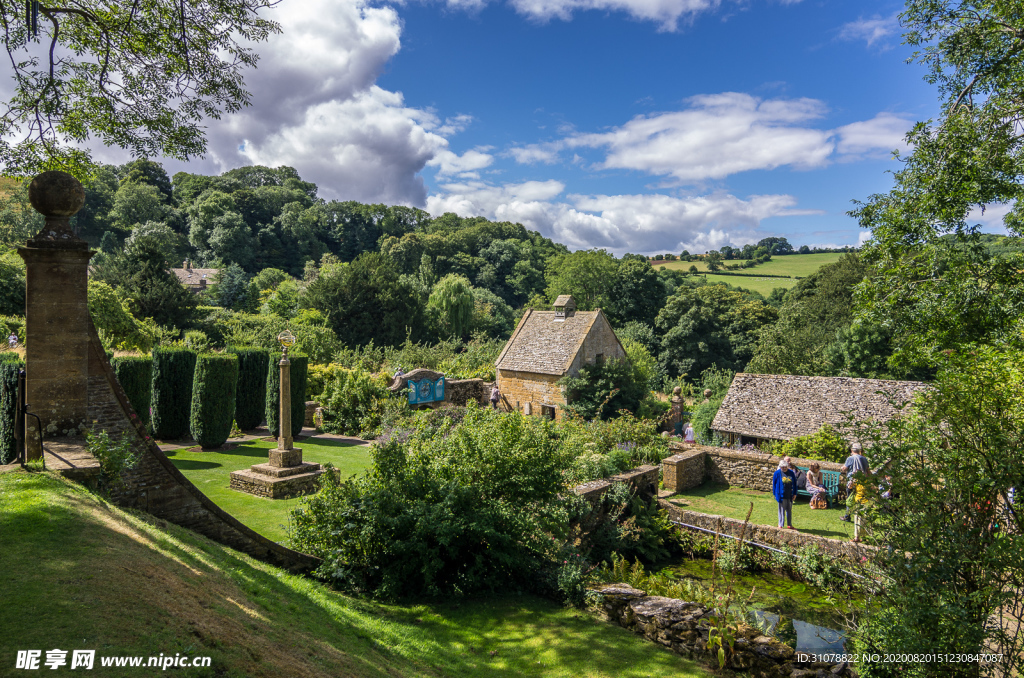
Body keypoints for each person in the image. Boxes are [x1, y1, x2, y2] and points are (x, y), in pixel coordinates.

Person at [841, 442, 872, 541]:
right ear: (860, 450)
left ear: (851, 450)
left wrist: (843, 468)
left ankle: (847, 515)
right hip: (863, 482)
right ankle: (861, 534)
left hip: (853, 482)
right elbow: (868, 470)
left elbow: (845, 468)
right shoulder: (864, 458)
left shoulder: (850, 458)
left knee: (850, 499)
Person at [772, 459, 798, 530]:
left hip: (789, 495)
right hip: (781, 495)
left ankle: (789, 524)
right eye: (782, 467)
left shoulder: (791, 473)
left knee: (789, 510)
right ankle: (780, 524)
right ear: (780, 467)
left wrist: (795, 493)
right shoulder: (777, 473)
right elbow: (774, 484)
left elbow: (795, 484)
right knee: (781, 510)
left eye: (785, 467)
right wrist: (775, 494)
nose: (784, 468)